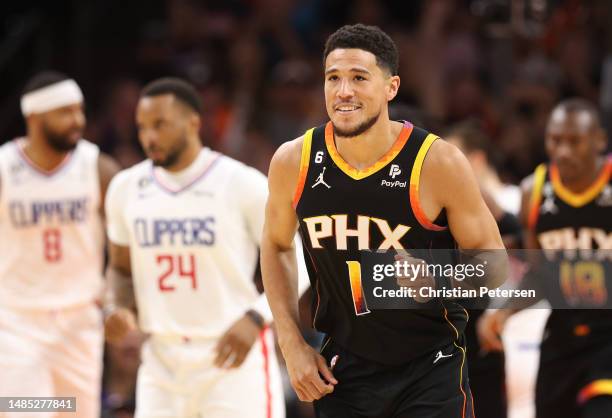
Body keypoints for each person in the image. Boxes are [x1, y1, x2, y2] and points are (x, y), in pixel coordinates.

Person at [261, 24, 506, 418]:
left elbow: (496, 266)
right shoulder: (294, 161)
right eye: (333, 78)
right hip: (344, 368)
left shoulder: (436, 162)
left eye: (359, 78)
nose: (344, 92)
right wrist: (292, 345)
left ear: (391, 87)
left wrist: (438, 280)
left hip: (431, 363)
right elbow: (275, 244)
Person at [103, 77, 292, 418]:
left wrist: (256, 318)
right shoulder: (125, 188)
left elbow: (301, 263)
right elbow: (119, 268)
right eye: (142, 126)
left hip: (230, 355)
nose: (148, 137)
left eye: (159, 124)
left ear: (193, 123)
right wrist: (117, 305)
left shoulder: (241, 183)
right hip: (162, 359)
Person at [479, 98, 612, 418]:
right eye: (555, 140)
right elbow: (539, 273)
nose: (563, 151)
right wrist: (504, 311)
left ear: (600, 141)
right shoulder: (534, 191)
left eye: (575, 141)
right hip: (563, 332)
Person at [0, 71, 120, 417]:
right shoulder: (6, 169)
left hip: (80, 321)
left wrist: (114, 298)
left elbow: (125, 248)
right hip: (16, 324)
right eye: (65, 112)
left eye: (80, 110)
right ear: (34, 116)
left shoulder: (97, 167)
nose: (78, 121)